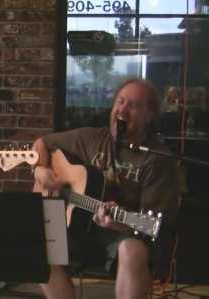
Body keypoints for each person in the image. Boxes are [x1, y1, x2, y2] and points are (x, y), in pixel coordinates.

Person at [32, 78, 181, 299]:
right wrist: (39, 170)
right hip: (78, 228)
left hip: (122, 236)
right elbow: (42, 143)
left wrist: (119, 223)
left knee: (132, 251)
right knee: (37, 244)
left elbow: (153, 226)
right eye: (120, 102)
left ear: (149, 116)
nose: (123, 109)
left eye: (133, 105)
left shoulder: (158, 159)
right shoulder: (92, 138)